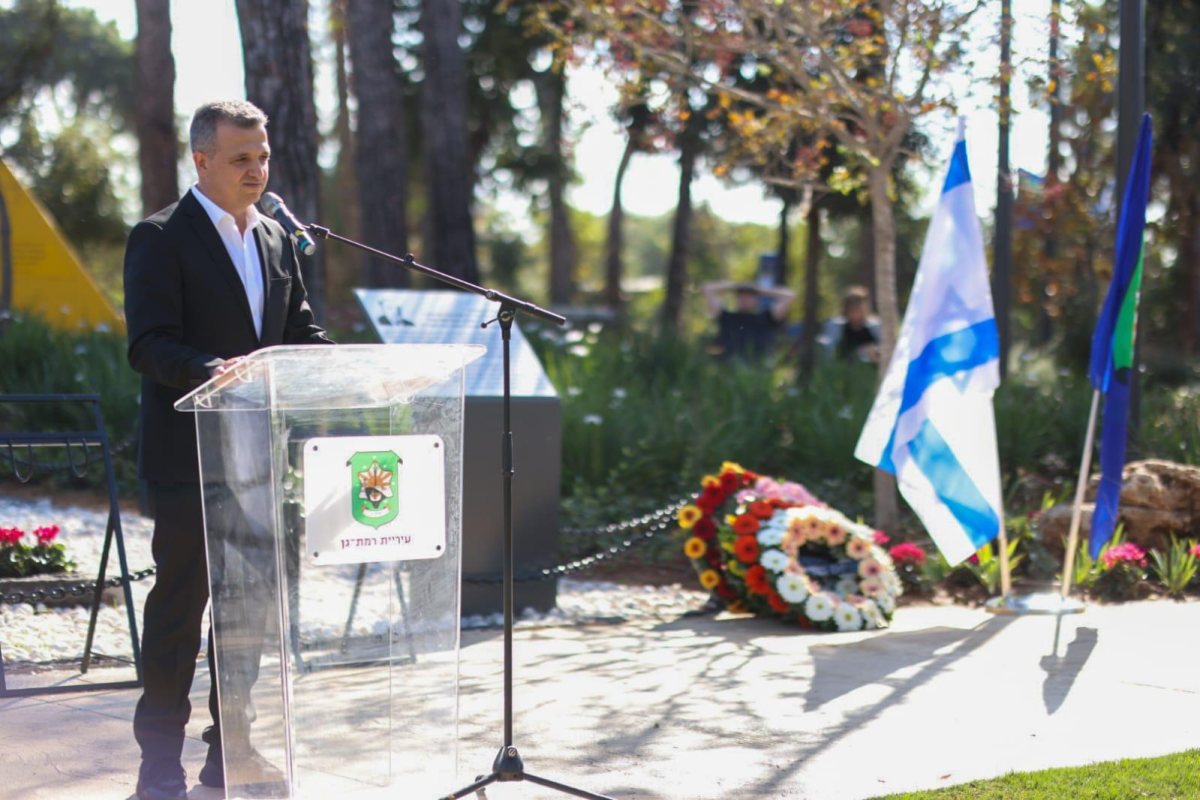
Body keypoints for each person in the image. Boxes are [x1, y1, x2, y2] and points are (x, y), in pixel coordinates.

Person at [124, 100, 332, 800]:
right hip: (190, 459)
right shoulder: (159, 237)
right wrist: (212, 369)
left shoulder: (274, 238)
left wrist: (336, 363)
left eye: (263, 156)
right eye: (241, 157)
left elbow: (297, 329)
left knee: (249, 614)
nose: (257, 169)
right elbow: (148, 344)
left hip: (259, 460)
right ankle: (158, 760)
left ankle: (229, 750)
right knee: (180, 611)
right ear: (202, 160)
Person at [703, 280, 795, 361]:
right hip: (729, 372)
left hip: (759, 372)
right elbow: (708, 289)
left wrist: (760, 289)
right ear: (736, 299)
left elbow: (789, 296)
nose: (745, 300)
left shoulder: (767, 318)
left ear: (757, 299)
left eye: (749, 296)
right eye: (741, 296)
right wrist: (734, 286)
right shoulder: (726, 318)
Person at [821, 286, 881, 363]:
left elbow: (885, 348)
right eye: (853, 307)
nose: (856, 310)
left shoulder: (875, 326)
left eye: (859, 306)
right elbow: (828, 347)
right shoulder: (836, 326)